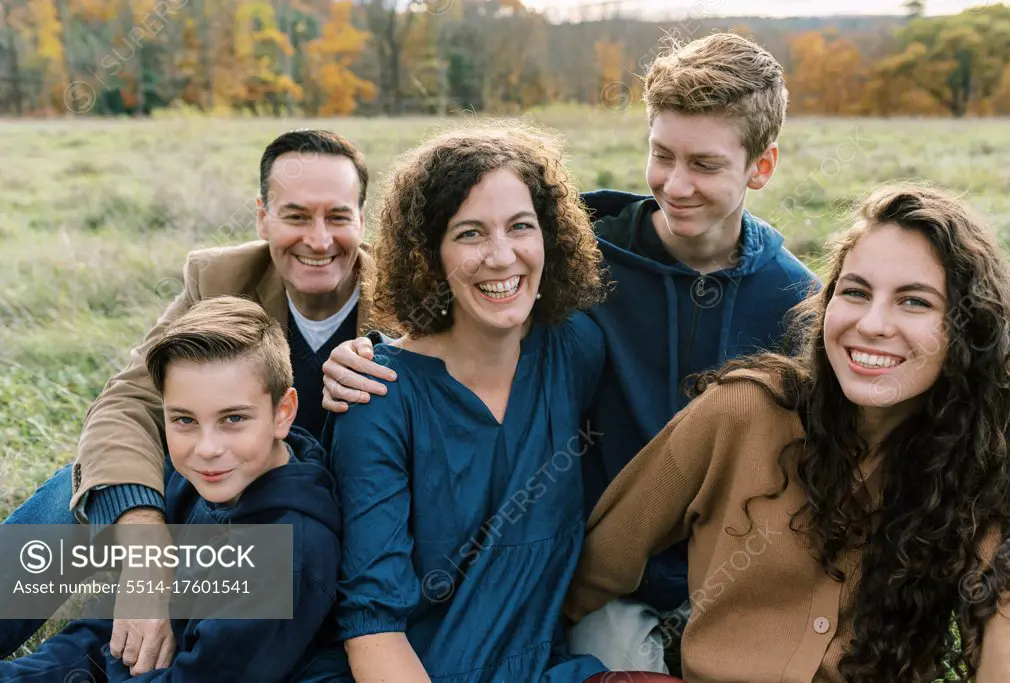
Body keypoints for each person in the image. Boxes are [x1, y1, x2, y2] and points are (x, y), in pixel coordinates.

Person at [320, 32, 819, 674]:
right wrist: (358, 354)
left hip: (721, 583)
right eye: (661, 154)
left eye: (705, 164)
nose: (675, 183)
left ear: (761, 167)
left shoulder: (798, 304)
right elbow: (445, 285)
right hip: (602, 598)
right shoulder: (582, 268)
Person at [563, 184, 1010, 683]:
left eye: (914, 302)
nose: (871, 324)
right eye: (855, 292)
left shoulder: (982, 465)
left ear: (967, 330)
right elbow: (598, 566)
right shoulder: (742, 412)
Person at [0, 128, 376, 671]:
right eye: (295, 215)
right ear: (262, 216)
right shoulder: (223, 279)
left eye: (338, 216)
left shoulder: (407, 297)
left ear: (362, 220)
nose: (318, 240)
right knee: (82, 484)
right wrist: (145, 550)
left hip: (323, 521)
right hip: (220, 492)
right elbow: (128, 402)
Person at [302, 123, 611, 683]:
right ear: (429, 254)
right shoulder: (377, 397)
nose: (501, 256)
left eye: (521, 226)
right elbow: (373, 626)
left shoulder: (576, 350)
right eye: (470, 234)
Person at [0, 297, 342, 682]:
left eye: (233, 418)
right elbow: (107, 629)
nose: (207, 448)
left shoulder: (286, 558)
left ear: (283, 412)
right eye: (184, 419)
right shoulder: (196, 479)